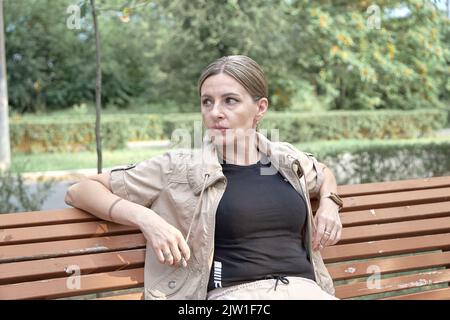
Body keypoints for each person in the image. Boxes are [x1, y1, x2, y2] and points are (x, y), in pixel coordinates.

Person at [65, 55, 343, 300]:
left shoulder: (284, 160)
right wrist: (146, 219)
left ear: (260, 108)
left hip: (306, 291)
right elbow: (80, 190)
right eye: (207, 102)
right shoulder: (180, 167)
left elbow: (323, 173)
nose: (215, 113)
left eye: (230, 101)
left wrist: (330, 203)